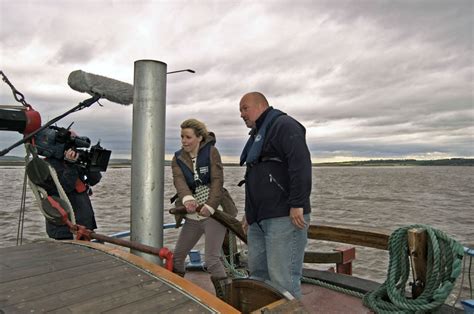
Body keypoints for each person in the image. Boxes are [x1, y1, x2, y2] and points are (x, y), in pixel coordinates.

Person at [239, 92, 312, 298]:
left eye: (245, 108)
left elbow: (301, 165)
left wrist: (298, 203)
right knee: (258, 277)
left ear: (261, 105)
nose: (242, 114)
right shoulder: (257, 134)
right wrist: (249, 213)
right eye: (240, 110)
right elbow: (254, 175)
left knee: (283, 281)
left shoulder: (285, 125)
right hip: (259, 219)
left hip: (283, 217)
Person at [171, 118, 230, 299]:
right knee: (178, 257)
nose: (184, 141)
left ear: (199, 137)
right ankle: (178, 293)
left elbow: (217, 182)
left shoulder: (212, 152)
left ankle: (225, 299)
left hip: (214, 214)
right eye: (182, 137)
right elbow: (179, 182)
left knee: (212, 260)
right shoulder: (177, 158)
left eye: (188, 137)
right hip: (192, 216)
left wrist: (210, 207)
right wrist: (187, 199)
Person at [44, 147, 102, 240]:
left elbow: (94, 180)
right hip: (64, 228)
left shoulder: (77, 161)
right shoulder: (48, 165)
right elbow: (64, 188)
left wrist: (93, 161)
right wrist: (70, 165)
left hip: (85, 222)